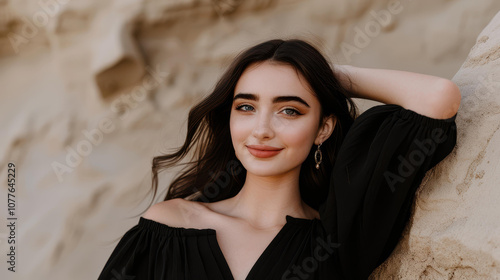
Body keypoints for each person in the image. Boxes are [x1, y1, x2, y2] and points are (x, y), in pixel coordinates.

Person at [97, 38, 460, 280]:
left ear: (323, 129)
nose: (261, 129)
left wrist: (324, 76)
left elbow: (437, 98)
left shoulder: (333, 242)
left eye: (289, 110)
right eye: (246, 107)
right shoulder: (169, 226)